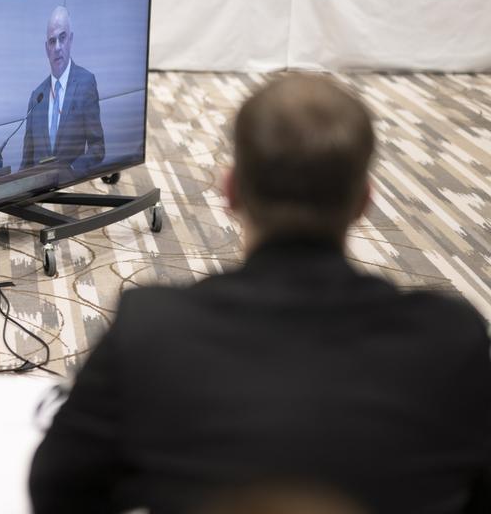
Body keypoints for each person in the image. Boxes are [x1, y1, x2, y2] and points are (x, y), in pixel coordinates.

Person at [29, 74, 491, 514]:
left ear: (230, 191)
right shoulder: (452, 338)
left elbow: (58, 490)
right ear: (363, 202)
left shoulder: (151, 330)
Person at [20, 6, 104, 173]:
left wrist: (71, 172)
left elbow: (98, 148)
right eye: (52, 41)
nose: (57, 47)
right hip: (39, 193)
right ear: (46, 49)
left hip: (72, 187)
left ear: (70, 40)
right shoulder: (37, 97)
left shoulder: (85, 83)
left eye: (62, 38)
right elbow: (26, 163)